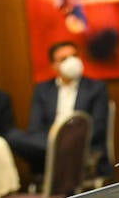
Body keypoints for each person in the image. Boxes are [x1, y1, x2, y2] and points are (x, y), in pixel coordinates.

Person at [8, 41, 110, 175]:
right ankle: (56, 151)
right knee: (13, 136)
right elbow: (35, 128)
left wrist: (68, 141)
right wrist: (55, 141)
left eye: (74, 56)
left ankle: (56, 153)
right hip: (49, 140)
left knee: (51, 149)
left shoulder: (96, 88)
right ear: (54, 66)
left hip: (81, 145)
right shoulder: (42, 90)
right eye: (64, 59)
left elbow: (98, 127)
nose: (72, 62)